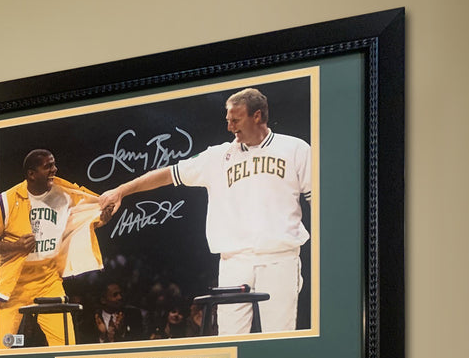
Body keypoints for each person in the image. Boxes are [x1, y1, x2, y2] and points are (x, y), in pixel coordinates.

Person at [97, 87, 311, 335]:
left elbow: (319, 200)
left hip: (280, 256)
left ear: (258, 116)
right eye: (227, 119)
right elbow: (168, 174)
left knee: (279, 337)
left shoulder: (296, 149)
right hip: (234, 260)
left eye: (235, 119)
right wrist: (121, 190)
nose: (230, 126)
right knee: (231, 339)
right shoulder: (218, 155)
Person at [0, 148, 104, 348]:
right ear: (31, 174)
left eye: (54, 164)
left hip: (49, 280)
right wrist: (16, 246)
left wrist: (104, 214)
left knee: (66, 347)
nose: (55, 169)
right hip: (15, 284)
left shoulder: (65, 194)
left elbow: (91, 213)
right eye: (48, 166)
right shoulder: (5, 201)